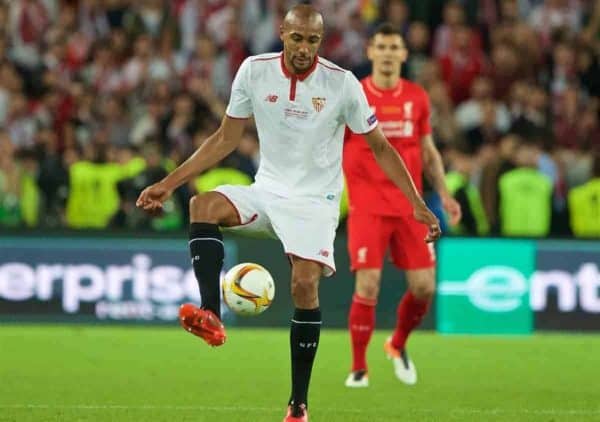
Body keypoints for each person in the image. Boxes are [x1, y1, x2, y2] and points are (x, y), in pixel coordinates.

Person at [136, 6, 440, 422]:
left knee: (303, 284)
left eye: (313, 41)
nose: (304, 48)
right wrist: (167, 183)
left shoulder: (342, 84)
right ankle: (211, 313)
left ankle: (298, 403)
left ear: (321, 41)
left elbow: (381, 148)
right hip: (268, 191)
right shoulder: (254, 71)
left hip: (315, 202)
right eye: (297, 38)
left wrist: (417, 203)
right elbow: (226, 137)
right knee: (201, 205)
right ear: (282, 33)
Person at [342, 23, 461, 388]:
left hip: (412, 206)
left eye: (395, 46)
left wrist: (443, 193)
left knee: (424, 287)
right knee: (369, 283)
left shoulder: (417, 97)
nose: (389, 53)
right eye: (382, 46)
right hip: (367, 205)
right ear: (371, 51)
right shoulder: (353, 95)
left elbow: (427, 151)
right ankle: (359, 368)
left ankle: (397, 344)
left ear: (404, 54)